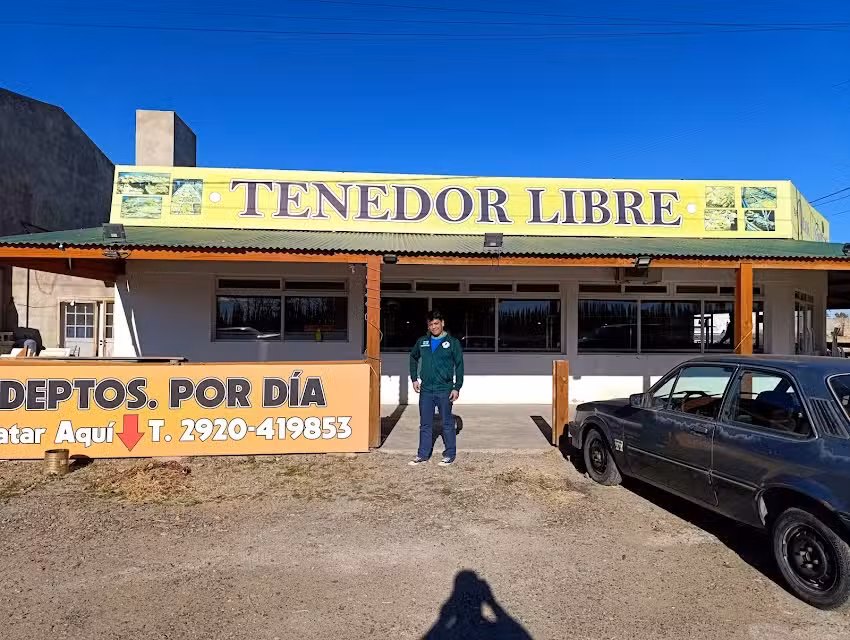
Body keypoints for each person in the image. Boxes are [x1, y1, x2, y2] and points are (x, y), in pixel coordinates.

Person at [408, 310, 464, 466]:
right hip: (426, 390)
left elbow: (459, 366)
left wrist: (457, 387)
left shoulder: (452, 343)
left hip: (444, 389)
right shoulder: (422, 342)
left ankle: (450, 454)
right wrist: (414, 378)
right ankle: (422, 454)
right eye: (431, 324)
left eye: (436, 323)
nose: (434, 327)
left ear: (442, 323)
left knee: (447, 423)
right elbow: (413, 357)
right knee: (425, 424)